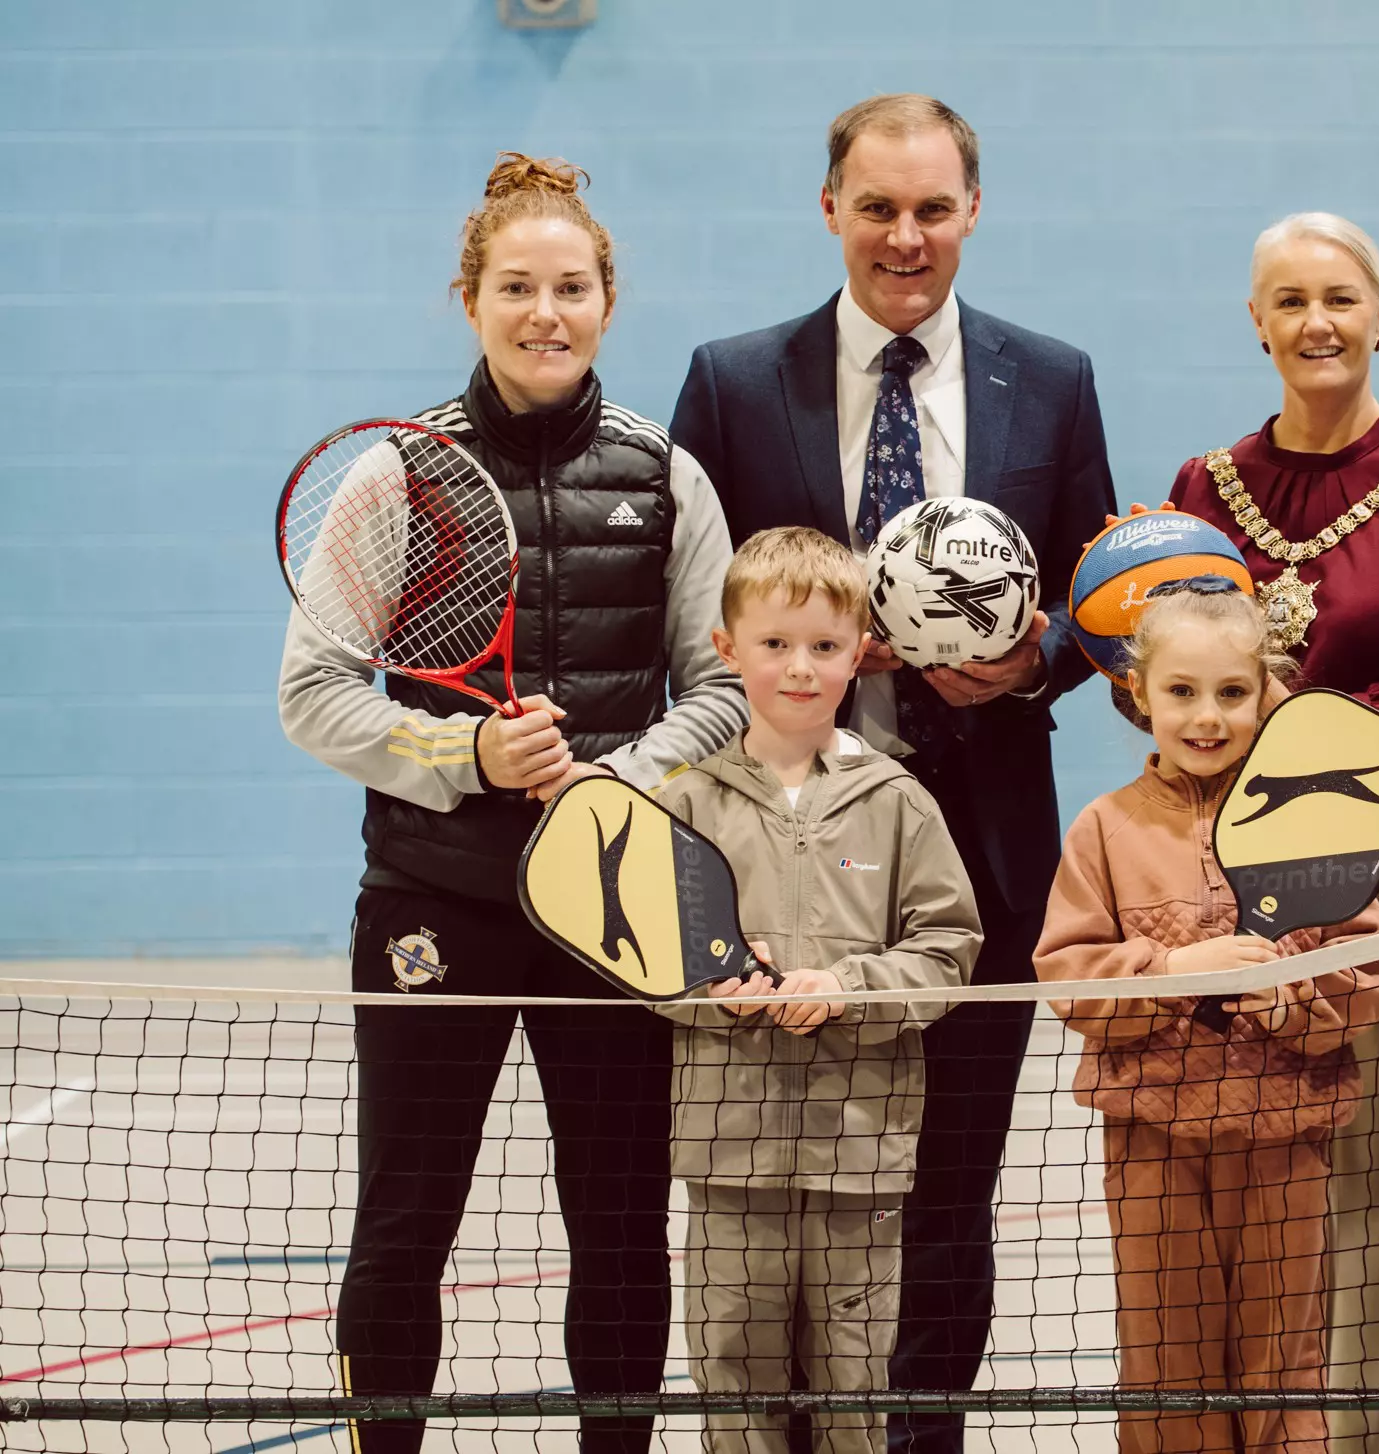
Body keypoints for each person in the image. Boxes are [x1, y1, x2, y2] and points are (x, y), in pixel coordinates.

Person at [278, 153, 746, 1454]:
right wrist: (467, 758)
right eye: (517, 286)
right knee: (406, 1215)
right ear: (468, 298)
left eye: (573, 286)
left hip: (614, 901)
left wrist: (619, 775)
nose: (547, 311)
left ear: (609, 301)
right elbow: (313, 694)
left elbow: (718, 690)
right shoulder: (396, 477)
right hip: (436, 903)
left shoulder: (666, 477)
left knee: (614, 1219)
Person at [669, 93, 1115, 1454]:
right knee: (778, 1191)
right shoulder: (736, 381)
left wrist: (1027, 664)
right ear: (829, 211)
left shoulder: (1049, 377)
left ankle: (918, 1440)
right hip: (765, 858)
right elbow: (694, 615)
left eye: (932, 208)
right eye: (877, 207)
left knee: (947, 1185)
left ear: (973, 211)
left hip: (973, 850)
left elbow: (1094, 605)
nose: (904, 236)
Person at [1166, 213, 1379, 1452]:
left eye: (1339, 296)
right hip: (1236, 859)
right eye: (1288, 299)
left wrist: (1344, 729)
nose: (1316, 322)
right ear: (1255, 320)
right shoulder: (1203, 488)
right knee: (1253, 1159)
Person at [1034, 580, 1379, 1454]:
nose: (1208, 716)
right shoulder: (1103, 829)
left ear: (1267, 692)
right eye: (1183, 692)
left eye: (1233, 693)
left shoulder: (1320, 821)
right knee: (1168, 1366)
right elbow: (1068, 974)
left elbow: (1371, 970)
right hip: (1152, 1142)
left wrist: (1298, 1001)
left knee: (1283, 1364)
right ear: (1139, 695)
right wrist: (1172, 970)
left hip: (1286, 1138)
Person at [654, 526, 982, 1454]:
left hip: (860, 1153)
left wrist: (848, 986)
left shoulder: (897, 800)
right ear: (727, 650)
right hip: (729, 1156)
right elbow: (641, 963)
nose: (800, 668)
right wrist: (708, 982)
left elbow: (949, 948)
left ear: (860, 655)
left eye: (826, 648)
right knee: (735, 1385)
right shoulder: (684, 802)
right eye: (774, 644)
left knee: (852, 1387)